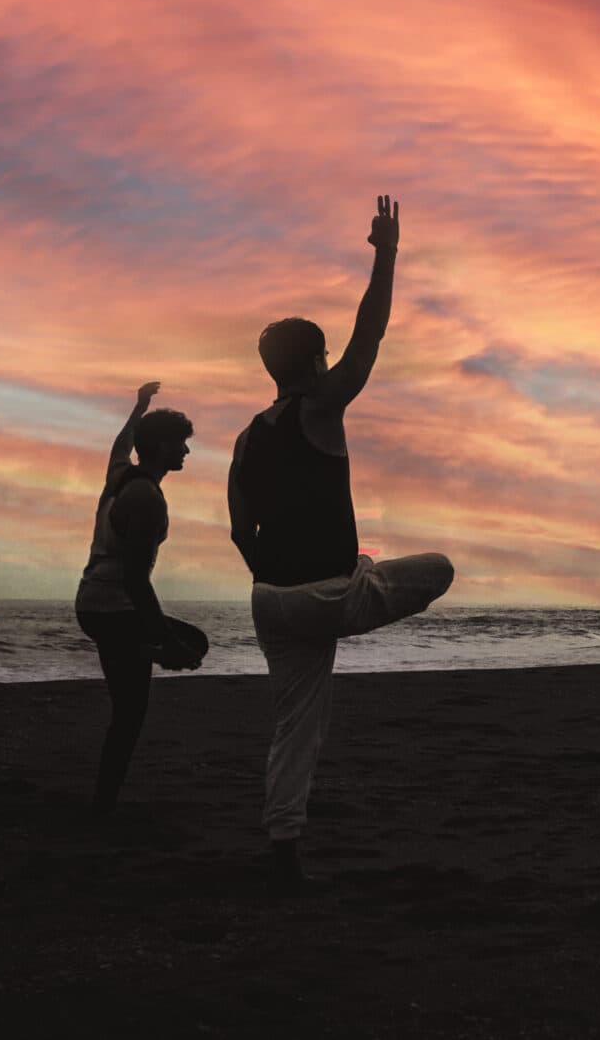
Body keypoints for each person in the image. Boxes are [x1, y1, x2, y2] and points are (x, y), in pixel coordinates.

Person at [230, 195, 454, 886]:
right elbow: (373, 336)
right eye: (326, 356)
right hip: (327, 596)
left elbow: (242, 530)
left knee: (298, 724)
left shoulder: (247, 436)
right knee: (439, 567)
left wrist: (274, 578)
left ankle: (284, 846)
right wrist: (386, 254)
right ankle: (359, 578)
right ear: (314, 363)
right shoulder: (321, 407)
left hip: (269, 598)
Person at [74, 381, 206, 814]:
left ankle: (146, 647)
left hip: (91, 603)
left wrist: (138, 408)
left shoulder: (119, 475)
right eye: (181, 445)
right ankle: (102, 808)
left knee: (128, 705)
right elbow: (135, 581)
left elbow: (121, 442)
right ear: (163, 447)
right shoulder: (146, 497)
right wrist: (164, 639)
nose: (186, 453)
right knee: (133, 712)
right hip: (115, 608)